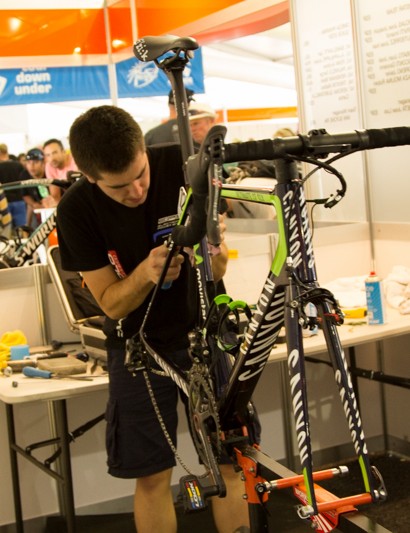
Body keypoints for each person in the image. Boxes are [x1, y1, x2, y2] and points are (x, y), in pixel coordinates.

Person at [56, 105, 253, 533]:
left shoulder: (185, 168)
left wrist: (212, 249)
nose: (137, 190)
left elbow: (218, 273)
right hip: (138, 349)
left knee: (230, 462)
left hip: (206, 332)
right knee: (152, 475)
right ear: (90, 177)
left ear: (144, 148)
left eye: (141, 174)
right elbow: (110, 303)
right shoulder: (76, 211)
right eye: (120, 187)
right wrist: (147, 273)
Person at [21, 148, 60, 228]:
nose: (32, 166)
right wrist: (34, 204)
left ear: (43, 163)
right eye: (28, 163)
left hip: (56, 209)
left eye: (36, 162)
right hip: (38, 210)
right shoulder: (24, 175)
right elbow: (25, 194)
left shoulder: (50, 172)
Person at [0, 143, 26, 228]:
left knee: (7, 231)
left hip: (5, 203)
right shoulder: (18, 165)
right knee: (22, 229)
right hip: (19, 200)